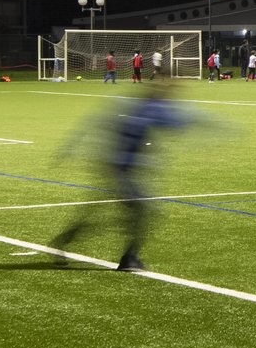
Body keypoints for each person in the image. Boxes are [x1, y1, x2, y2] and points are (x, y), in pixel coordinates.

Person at [48, 82, 198, 272]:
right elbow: (174, 125)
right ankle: (128, 258)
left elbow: (99, 123)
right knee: (143, 212)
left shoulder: (139, 106)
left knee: (117, 213)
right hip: (120, 170)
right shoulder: (149, 109)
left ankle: (63, 242)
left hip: (117, 167)